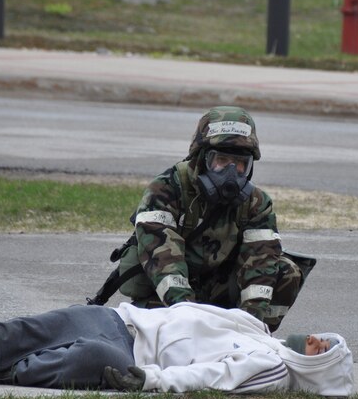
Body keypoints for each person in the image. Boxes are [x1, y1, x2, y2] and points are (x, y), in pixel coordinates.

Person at [114, 106, 303, 332]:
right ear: (201, 158)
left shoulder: (256, 202)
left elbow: (261, 261)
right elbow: (162, 257)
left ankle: (251, 334)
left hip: (219, 292)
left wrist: (250, 326)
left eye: (241, 163)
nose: (231, 172)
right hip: (169, 298)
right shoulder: (167, 188)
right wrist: (186, 313)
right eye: (221, 160)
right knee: (157, 333)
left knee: (287, 270)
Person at [0, 302, 353, 395]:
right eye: (321, 336)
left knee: (86, 359)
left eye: (320, 349)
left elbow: (212, 377)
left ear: (318, 369)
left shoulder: (274, 369)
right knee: (30, 329)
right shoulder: (260, 331)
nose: (313, 339)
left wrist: (149, 379)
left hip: (133, 359)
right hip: (126, 321)